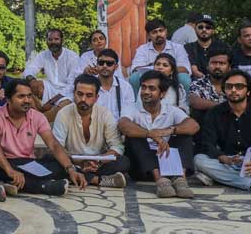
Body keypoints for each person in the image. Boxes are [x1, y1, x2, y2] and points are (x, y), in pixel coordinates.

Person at [0, 78, 87, 196]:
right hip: (5, 162)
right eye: (21, 96)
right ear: (8, 99)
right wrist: (9, 170)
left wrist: (70, 168)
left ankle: (6, 182)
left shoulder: (37, 117)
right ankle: (43, 186)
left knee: (60, 162)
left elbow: (53, 144)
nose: (27, 101)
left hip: (28, 164)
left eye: (29, 96)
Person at [118, 70, 199, 198]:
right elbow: (123, 125)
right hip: (143, 167)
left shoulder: (171, 110)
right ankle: (161, 181)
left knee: (185, 135)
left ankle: (180, 179)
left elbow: (194, 125)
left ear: (162, 94)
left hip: (167, 161)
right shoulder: (131, 107)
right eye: (143, 87)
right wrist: (150, 134)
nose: (145, 92)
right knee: (134, 137)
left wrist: (170, 130)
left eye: (151, 88)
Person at [53, 74, 129, 187]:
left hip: (98, 164)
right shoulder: (63, 114)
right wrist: (78, 164)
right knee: (51, 161)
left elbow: (117, 146)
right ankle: (97, 180)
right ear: (74, 93)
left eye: (89, 95)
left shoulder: (105, 114)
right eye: (79, 94)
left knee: (124, 162)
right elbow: (57, 147)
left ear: (96, 98)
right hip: (72, 162)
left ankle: (79, 177)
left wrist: (99, 161)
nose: (83, 99)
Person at [194, 69, 251, 190]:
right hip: (227, 162)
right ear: (224, 89)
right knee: (199, 160)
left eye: (239, 86)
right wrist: (221, 157)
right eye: (229, 86)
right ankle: (245, 182)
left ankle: (219, 178)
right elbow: (208, 143)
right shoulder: (215, 113)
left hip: (249, 162)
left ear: (248, 91)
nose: (234, 90)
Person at [23, 28, 80, 121]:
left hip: (67, 92)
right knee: (28, 86)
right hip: (50, 88)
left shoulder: (72, 57)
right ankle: (38, 114)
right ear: (47, 41)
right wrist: (32, 80)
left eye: (56, 39)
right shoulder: (43, 55)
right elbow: (29, 70)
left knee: (62, 108)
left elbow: (72, 85)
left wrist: (52, 102)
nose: (53, 42)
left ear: (62, 40)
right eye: (50, 39)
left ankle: (38, 120)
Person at [130, 19, 191, 93]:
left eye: (161, 31)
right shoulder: (142, 49)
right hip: (150, 78)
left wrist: (166, 70)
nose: (158, 34)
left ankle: (185, 103)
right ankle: (137, 103)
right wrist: (157, 70)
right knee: (134, 77)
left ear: (166, 32)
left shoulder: (178, 48)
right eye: (154, 32)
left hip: (171, 77)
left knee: (184, 77)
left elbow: (185, 68)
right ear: (149, 36)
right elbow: (136, 69)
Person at [188, 48, 232, 129]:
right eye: (214, 63)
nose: (217, 66)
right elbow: (193, 101)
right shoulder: (198, 83)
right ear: (207, 66)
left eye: (222, 63)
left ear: (229, 67)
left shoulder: (234, 84)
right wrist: (223, 107)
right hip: (205, 128)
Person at [94, 49, 135, 120]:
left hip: (119, 127)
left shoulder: (126, 87)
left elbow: (129, 115)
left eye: (109, 63)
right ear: (97, 64)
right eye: (101, 63)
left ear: (116, 67)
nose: (104, 66)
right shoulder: (90, 86)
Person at [185, 14, 230, 79]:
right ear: (195, 29)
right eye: (200, 27)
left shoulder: (223, 47)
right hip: (196, 84)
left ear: (213, 31)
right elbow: (195, 71)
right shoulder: (188, 47)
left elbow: (227, 68)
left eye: (208, 27)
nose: (204, 30)